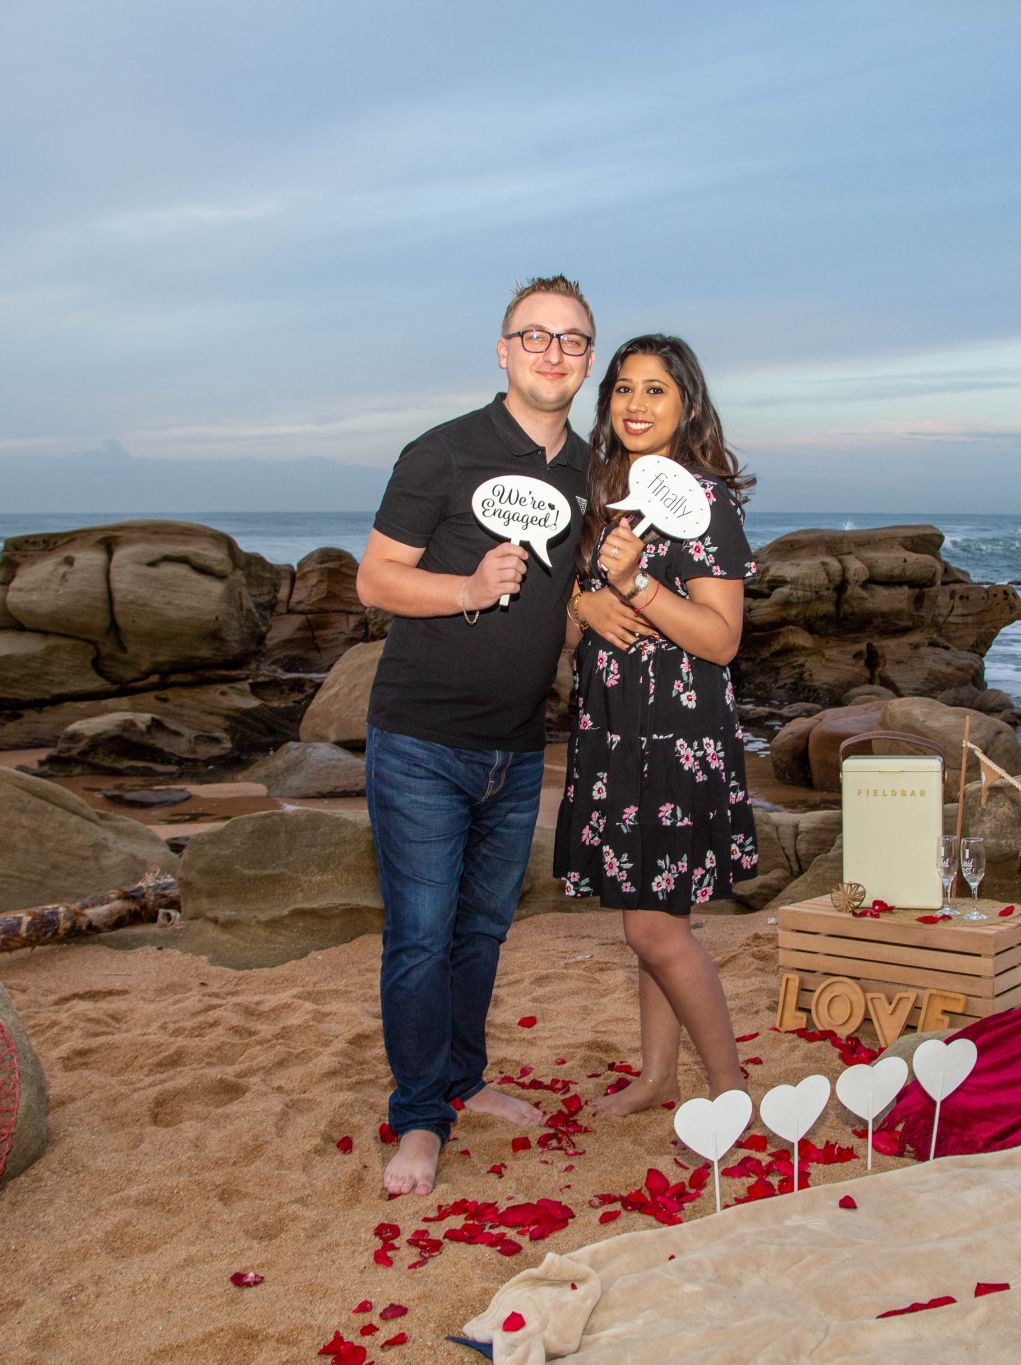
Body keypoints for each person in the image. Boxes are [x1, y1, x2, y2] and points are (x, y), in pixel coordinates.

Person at [356, 275, 598, 1196]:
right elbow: (376, 580)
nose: (552, 352)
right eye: (534, 336)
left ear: (587, 359)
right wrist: (465, 588)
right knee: (419, 935)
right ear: (502, 350)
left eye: (572, 340)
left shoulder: (586, 473)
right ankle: (419, 1118)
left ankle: (463, 1079)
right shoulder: (443, 453)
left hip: (518, 743)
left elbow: (567, 609)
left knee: (483, 932)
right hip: (420, 739)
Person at [554, 334, 759, 1117]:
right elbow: (573, 628)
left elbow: (721, 639)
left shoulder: (705, 501)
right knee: (651, 914)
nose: (636, 405)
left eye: (656, 391)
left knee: (654, 931)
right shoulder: (602, 493)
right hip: (613, 735)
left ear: (688, 406)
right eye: (624, 389)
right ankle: (657, 1077)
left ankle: (730, 1090)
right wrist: (583, 602)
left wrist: (636, 585)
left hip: (676, 739)